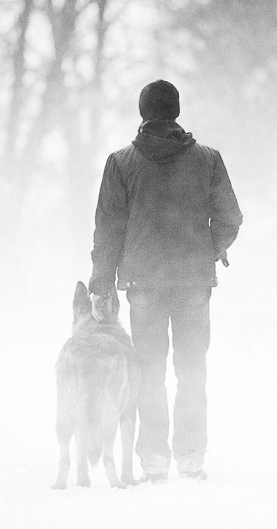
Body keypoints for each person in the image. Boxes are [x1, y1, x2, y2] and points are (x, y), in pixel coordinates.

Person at [88, 80, 242, 482]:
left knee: (149, 370)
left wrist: (100, 284)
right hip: (193, 280)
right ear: (175, 110)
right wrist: (209, 248)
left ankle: (154, 458)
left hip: (143, 283)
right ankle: (191, 456)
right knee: (192, 369)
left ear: (143, 113)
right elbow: (230, 217)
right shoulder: (208, 159)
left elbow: (108, 228)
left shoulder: (120, 162)